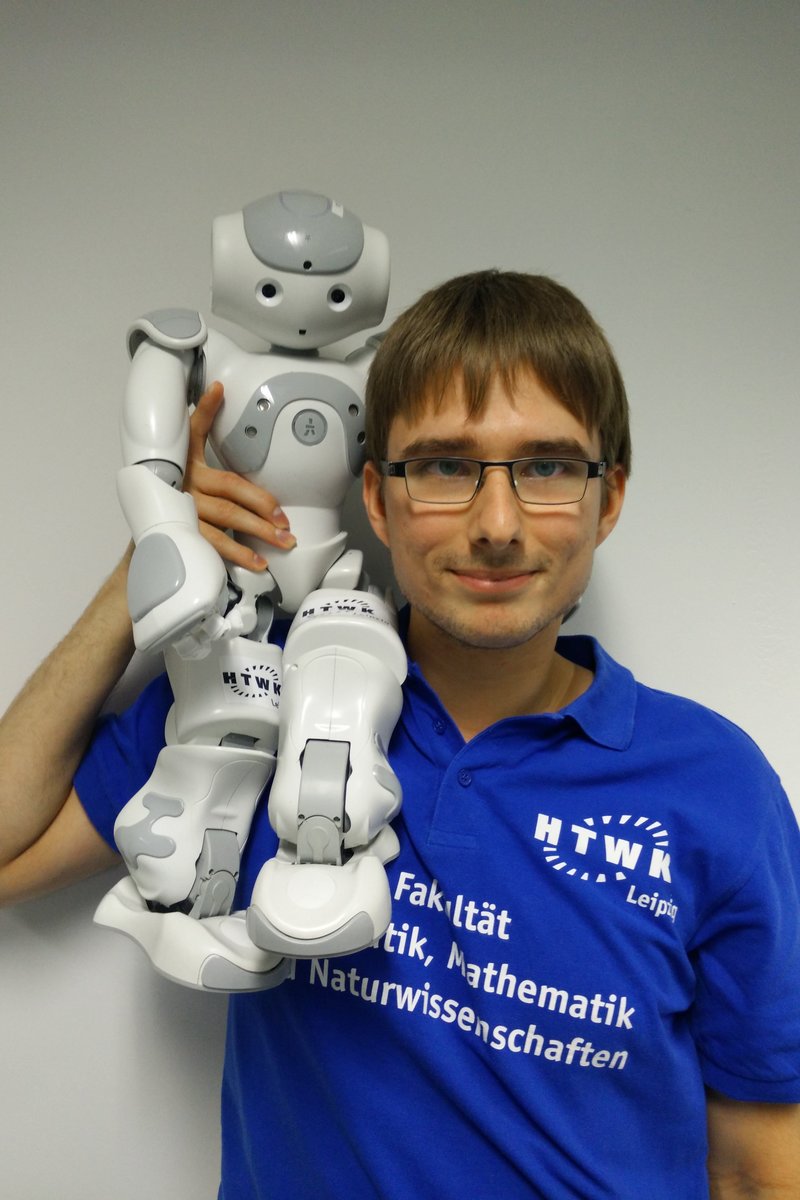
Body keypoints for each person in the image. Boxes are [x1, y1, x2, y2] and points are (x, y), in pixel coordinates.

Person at [1, 270, 798, 1198]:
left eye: (546, 467)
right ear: (376, 500)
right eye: (446, 467)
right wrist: (152, 553)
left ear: (607, 498)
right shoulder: (258, 685)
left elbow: (761, 1172)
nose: (496, 525)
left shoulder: (715, 786)